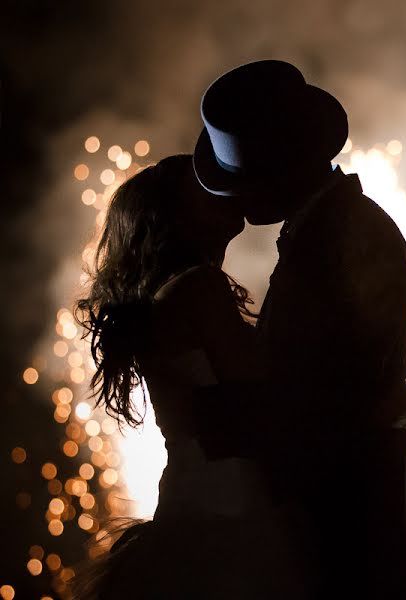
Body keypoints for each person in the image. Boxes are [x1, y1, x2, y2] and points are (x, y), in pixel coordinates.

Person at [191, 60, 406, 598]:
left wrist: (202, 412)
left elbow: (330, 403)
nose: (236, 199)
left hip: (344, 531)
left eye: (243, 182)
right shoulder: (335, 231)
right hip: (345, 520)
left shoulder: (338, 244)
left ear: (275, 176)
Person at [73, 155, 302, 599]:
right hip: (225, 511)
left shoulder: (173, 292)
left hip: (201, 500)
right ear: (178, 214)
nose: (219, 192)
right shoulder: (198, 288)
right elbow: (260, 392)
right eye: (201, 189)